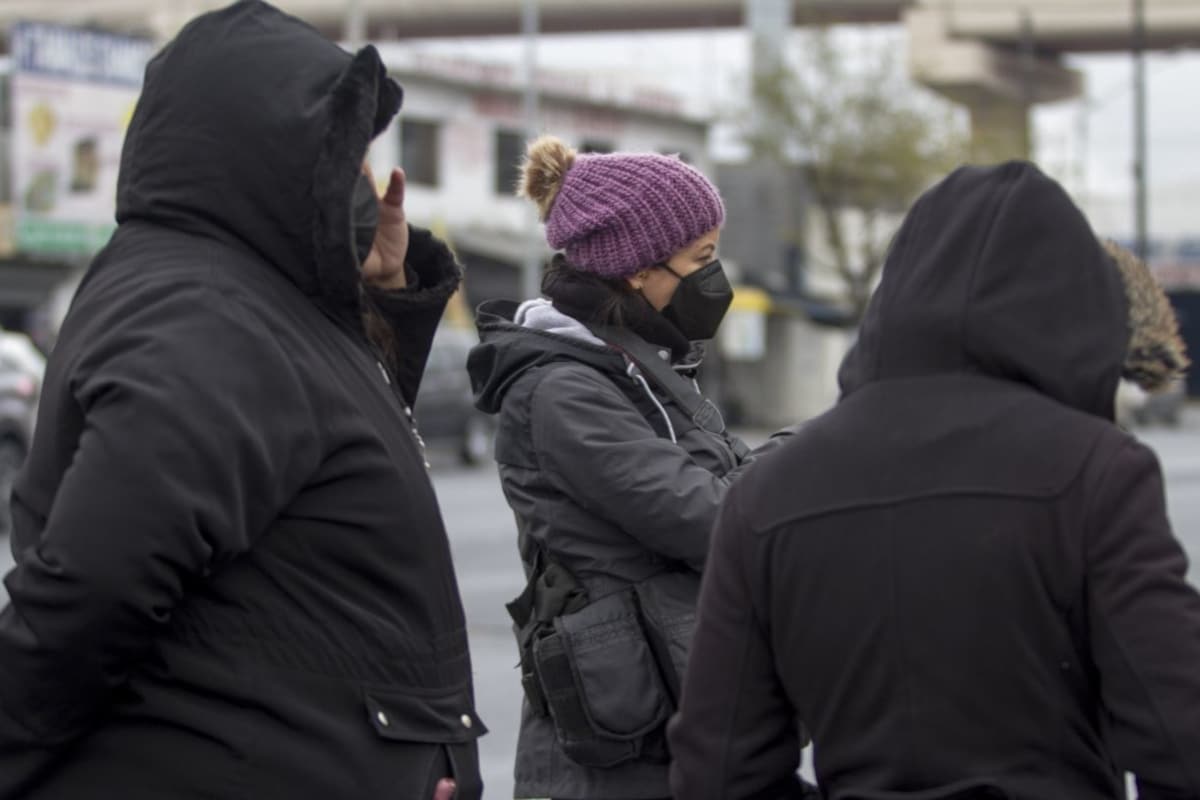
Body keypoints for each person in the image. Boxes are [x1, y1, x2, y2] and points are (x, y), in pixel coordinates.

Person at [0, 2, 481, 798]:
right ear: (265, 151)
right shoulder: (204, 314)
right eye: (344, 152)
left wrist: (384, 297)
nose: (363, 178)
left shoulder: (250, 295)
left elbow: (317, 464)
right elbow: (92, 593)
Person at [669, 161, 1200, 800]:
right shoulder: (1096, 472)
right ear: (1077, 310)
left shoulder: (767, 493)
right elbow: (1182, 739)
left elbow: (718, 772)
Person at [468, 136, 796, 800]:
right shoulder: (563, 392)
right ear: (636, 271)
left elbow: (728, 484)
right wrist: (819, 455)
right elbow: (709, 518)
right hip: (614, 758)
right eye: (700, 259)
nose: (714, 278)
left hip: (669, 716)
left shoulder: (639, 368)